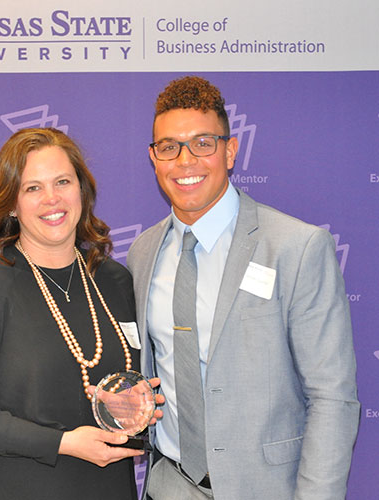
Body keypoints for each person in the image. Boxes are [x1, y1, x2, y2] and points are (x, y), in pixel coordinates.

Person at [126, 76, 360, 500]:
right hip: (169, 486)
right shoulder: (143, 253)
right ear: (154, 158)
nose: (185, 161)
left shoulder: (297, 247)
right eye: (169, 147)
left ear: (230, 151)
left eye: (203, 143)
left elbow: (332, 397)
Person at [0, 127, 162, 500]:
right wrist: (63, 443)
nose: (51, 199)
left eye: (62, 182)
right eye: (32, 188)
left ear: (82, 191)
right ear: (10, 203)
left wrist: (133, 408)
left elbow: (121, 395)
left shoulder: (114, 281)